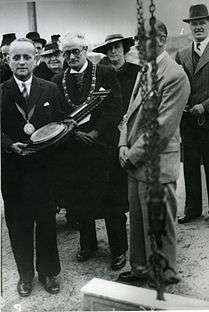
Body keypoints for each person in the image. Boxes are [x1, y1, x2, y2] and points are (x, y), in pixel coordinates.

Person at [117, 20, 190, 285]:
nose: (137, 44)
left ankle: (161, 281)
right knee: (137, 223)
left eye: (141, 39)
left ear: (160, 39)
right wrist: (123, 145)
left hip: (155, 162)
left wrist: (131, 154)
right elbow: (129, 114)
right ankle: (140, 270)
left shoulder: (174, 75)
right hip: (136, 161)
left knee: (159, 227)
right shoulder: (144, 69)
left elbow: (161, 128)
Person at [52, 32, 128, 270]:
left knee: (112, 202)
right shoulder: (57, 80)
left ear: (85, 50)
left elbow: (115, 107)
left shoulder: (105, 73)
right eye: (67, 53)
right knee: (79, 200)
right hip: (74, 150)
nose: (72, 56)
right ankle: (88, 245)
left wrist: (95, 133)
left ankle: (118, 249)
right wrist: (73, 134)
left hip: (103, 147)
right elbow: (56, 115)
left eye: (76, 51)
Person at [1, 38, 63, 297]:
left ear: (36, 59)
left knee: (47, 222)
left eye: (27, 57)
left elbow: (63, 122)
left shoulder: (49, 89)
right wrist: (7, 144)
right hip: (13, 171)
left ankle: (48, 272)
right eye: (17, 57)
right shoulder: (1, 91)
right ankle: (26, 275)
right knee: (18, 225)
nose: (22, 62)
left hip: (43, 170)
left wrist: (52, 139)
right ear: (7, 61)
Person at [93, 34, 140, 246]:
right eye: (110, 48)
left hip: (134, 133)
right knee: (114, 193)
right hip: (110, 137)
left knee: (137, 188)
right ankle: (119, 243)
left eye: (117, 47)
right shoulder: (101, 75)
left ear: (125, 49)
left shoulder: (136, 72)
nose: (114, 51)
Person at [176, 4, 209, 228]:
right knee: (190, 165)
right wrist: (182, 107)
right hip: (188, 122)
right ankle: (192, 209)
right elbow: (175, 86)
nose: (198, 27)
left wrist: (205, 106)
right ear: (189, 27)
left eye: (202, 23)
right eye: (194, 23)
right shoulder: (181, 55)